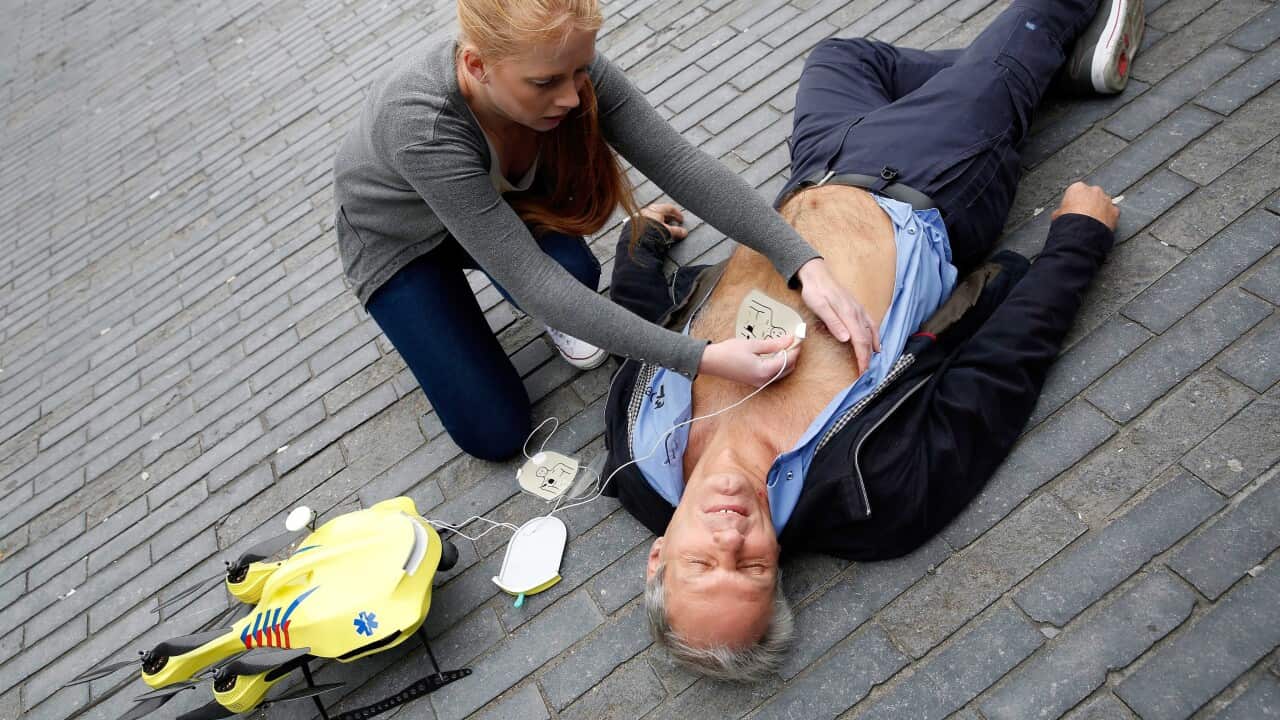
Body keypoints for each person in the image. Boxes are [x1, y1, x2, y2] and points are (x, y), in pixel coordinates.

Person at [599, 0, 1141, 680]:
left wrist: (639, 247)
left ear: (659, 557)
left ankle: (1026, 79)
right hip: (934, 181)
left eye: (706, 561)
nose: (733, 533)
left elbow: (634, 336)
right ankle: (1018, 73)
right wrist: (1078, 243)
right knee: (1042, 13)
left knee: (840, 57)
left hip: (814, 172)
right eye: (755, 564)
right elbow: (1001, 376)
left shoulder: (636, 452)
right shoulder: (877, 497)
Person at [332, 0, 883, 461]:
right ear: (476, 66)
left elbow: (680, 164)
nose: (572, 97)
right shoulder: (421, 125)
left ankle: (571, 313)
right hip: (402, 244)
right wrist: (701, 357)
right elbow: (532, 280)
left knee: (573, 273)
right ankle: (540, 314)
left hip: (489, 212)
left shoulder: (563, 59)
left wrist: (804, 262)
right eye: (546, 83)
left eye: (579, 72)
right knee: (494, 434)